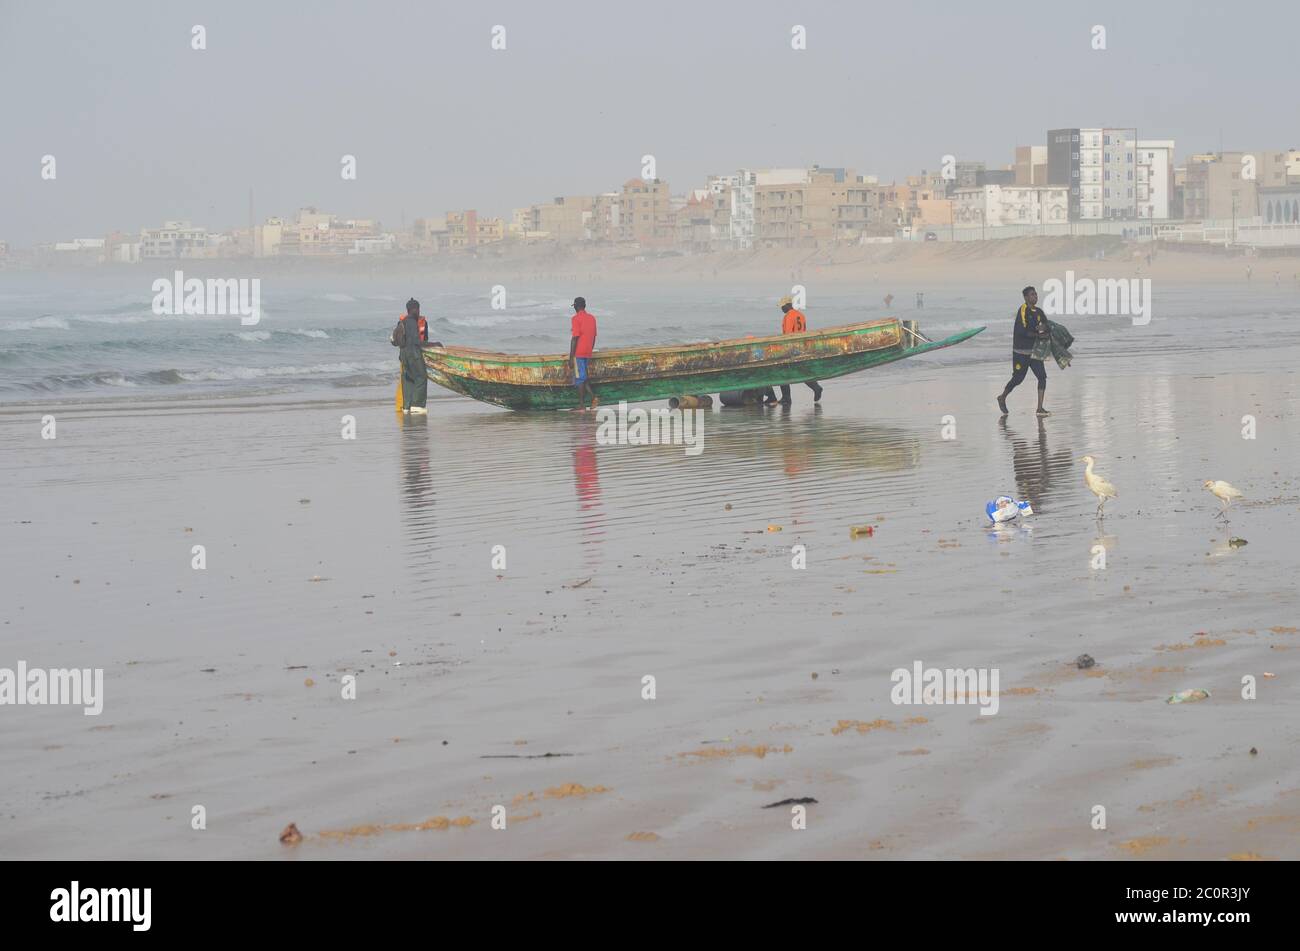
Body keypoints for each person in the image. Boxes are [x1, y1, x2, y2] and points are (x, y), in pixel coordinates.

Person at [996, 285, 1050, 417]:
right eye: (1032, 295)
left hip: (1034, 352)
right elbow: (1022, 332)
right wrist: (1038, 333)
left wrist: (1045, 331)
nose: (1035, 297)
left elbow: (1046, 327)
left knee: (1042, 377)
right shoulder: (1023, 310)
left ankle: (1039, 408)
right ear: (1025, 297)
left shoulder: (1039, 312)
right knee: (1018, 379)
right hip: (1021, 352)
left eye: (1036, 294)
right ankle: (1002, 397)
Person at [764, 296, 823, 405]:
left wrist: (782, 350)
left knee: (782, 372)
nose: (781, 309)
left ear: (787, 305)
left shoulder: (788, 316)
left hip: (790, 348)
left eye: (782, 307)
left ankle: (786, 398)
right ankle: (815, 387)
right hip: (801, 346)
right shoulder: (801, 315)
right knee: (800, 371)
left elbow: (787, 335)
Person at [390, 297, 441, 414]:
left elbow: (396, 341)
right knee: (421, 377)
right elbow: (416, 342)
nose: (418, 312)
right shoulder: (413, 322)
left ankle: (406, 407)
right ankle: (417, 405)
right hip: (414, 353)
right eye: (417, 309)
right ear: (416, 309)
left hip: (403, 355)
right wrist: (434, 344)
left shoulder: (402, 322)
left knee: (408, 380)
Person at [569, 296, 598, 411]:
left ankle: (582, 405)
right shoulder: (592, 318)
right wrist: (590, 351)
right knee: (584, 377)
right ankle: (593, 398)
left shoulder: (575, 319)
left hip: (579, 353)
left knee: (580, 379)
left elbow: (575, 338)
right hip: (587, 352)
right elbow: (594, 337)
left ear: (576, 306)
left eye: (574, 306)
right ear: (584, 306)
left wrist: (571, 357)